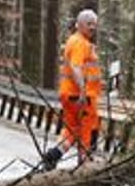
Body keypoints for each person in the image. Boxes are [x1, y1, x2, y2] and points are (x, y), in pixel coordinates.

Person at [42, 9, 103, 169]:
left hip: (70, 94)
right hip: (81, 96)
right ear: (80, 24)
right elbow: (76, 67)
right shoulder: (79, 43)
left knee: (72, 129)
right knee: (87, 127)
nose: (92, 28)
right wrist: (83, 89)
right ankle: (85, 161)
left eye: (94, 25)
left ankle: (54, 155)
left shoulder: (76, 41)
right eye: (89, 24)